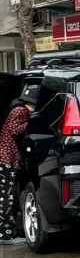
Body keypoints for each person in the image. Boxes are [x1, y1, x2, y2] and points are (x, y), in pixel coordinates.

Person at [0, 90, 34, 244]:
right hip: (6, 158)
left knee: (7, 194)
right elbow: (14, 131)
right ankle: (5, 233)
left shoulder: (17, 110)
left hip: (7, 157)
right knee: (6, 196)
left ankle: (9, 229)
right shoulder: (21, 111)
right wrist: (31, 121)